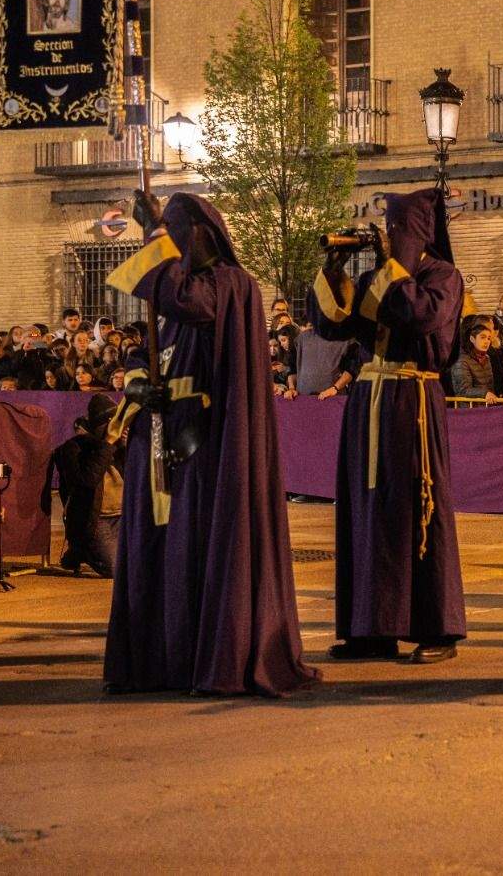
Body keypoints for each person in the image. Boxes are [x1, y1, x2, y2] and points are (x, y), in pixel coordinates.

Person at [102, 191, 317, 696]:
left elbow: (185, 300)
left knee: (195, 548)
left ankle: (208, 657)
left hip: (205, 442)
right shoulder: (175, 295)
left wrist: (154, 233)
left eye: (179, 233)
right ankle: (158, 661)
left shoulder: (229, 285)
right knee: (157, 551)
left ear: (200, 234)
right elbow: (150, 351)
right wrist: (138, 383)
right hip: (159, 437)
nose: (174, 244)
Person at [310, 188, 469, 663]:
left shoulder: (443, 276)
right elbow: (333, 326)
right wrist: (334, 270)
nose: (388, 234)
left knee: (416, 509)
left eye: (397, 227)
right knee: (368, 512)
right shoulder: (379, 276)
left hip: (412, 401)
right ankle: (373, 628)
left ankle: (436, 629)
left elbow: (420, 315)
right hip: (368, 403)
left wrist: (392, 267)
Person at [44, 394, 123, 578]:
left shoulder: (121, 446)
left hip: (123, 517)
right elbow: (87, 480)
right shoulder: (74, 448)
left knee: (145, 564)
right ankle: (82, 550)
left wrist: (126, 448)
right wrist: (108, 443)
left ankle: (81, 551)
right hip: (95, 521)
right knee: (116, 570)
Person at [450, 320, 501, 399]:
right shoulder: (462, 360)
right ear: (472, 339)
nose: (486, 342)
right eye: (482, 337)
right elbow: (463, 390)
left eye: (488, 338)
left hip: (486, 405)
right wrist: (485, 394)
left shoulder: (487, 358)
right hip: (470, 405)